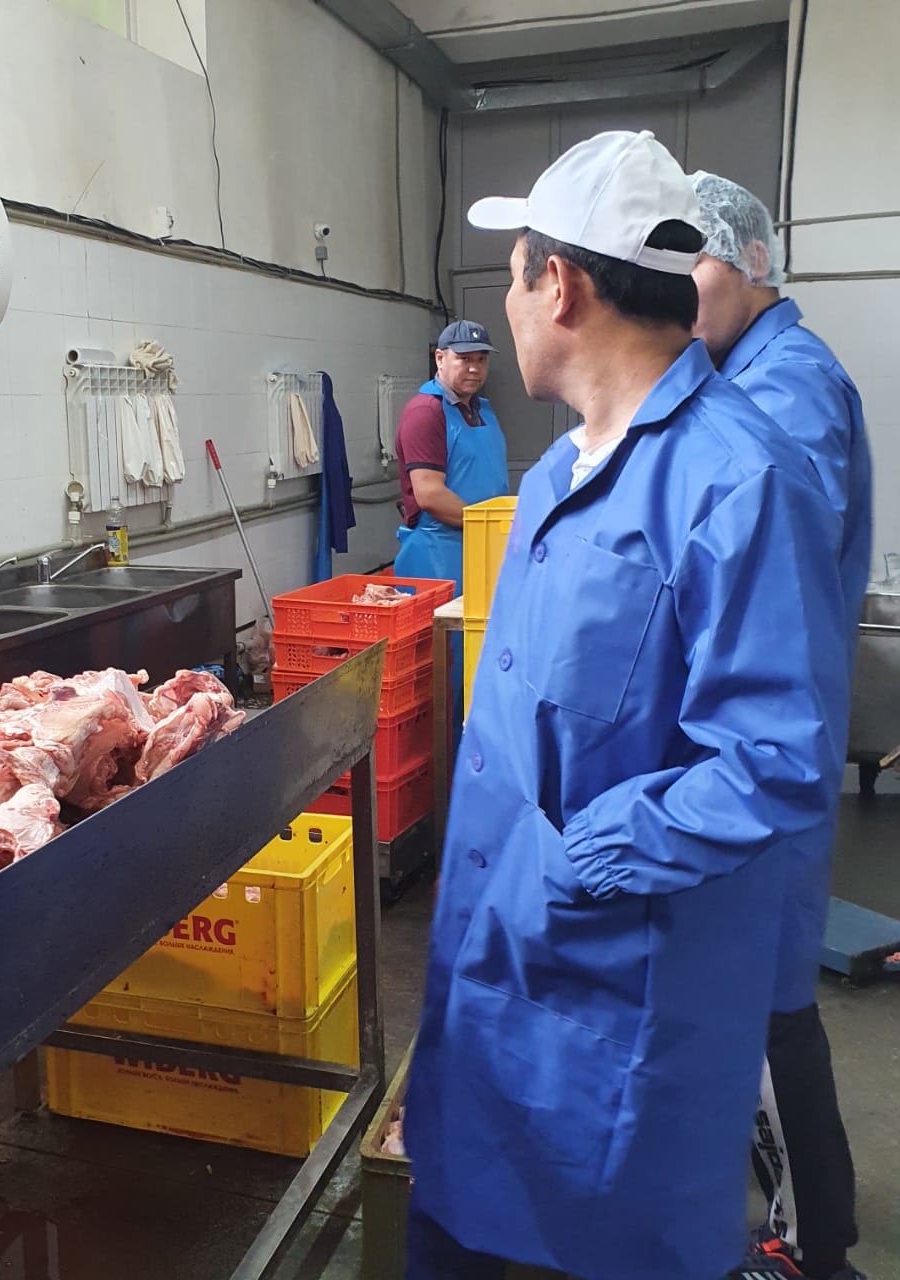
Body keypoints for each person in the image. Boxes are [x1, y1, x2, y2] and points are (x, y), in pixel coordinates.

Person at [404, 131, 851, 1280]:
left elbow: (772, 759)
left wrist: (575, 862)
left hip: (611, 1015)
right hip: (486, 988)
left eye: (512, 275)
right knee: (457, 1234)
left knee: (593, 1244)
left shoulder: (739, 478)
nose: (506, 306)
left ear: (557, 284)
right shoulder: (552, 479)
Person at [691, 171, 872, 1280]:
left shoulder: (788, 385)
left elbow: (765, 559)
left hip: (769, 753)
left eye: (695, 263)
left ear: (749, 262)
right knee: (753, 1005)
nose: (678, 291)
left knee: (770, 1010)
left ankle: (817, 1250)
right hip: (759, 745)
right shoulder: (750, 373)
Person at [393, 319, 509, 586]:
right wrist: (488, 525)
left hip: (484, 545)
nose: (474, 368)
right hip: (438, 556)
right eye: (464, 358)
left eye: (481, 359)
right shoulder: (426, 412)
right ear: (440, 358)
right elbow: (430, 494)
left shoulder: (483, 409)